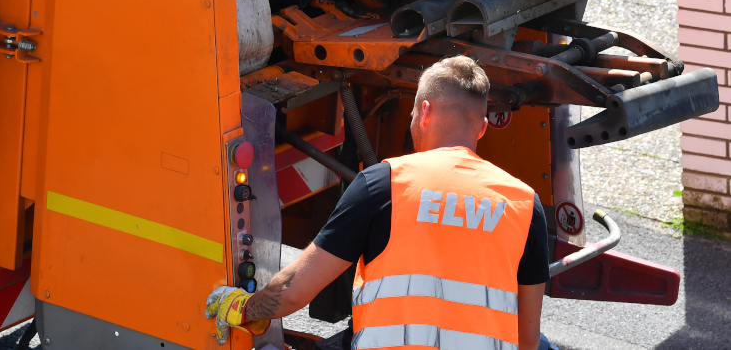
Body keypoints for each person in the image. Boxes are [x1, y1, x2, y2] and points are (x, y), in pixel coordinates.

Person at [206, 55, 550, 350]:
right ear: (483, 128)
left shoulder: (386, 183)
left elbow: (295, 292)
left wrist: (243, 308)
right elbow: (527, 340)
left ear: (425, 112)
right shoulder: (524, 203)